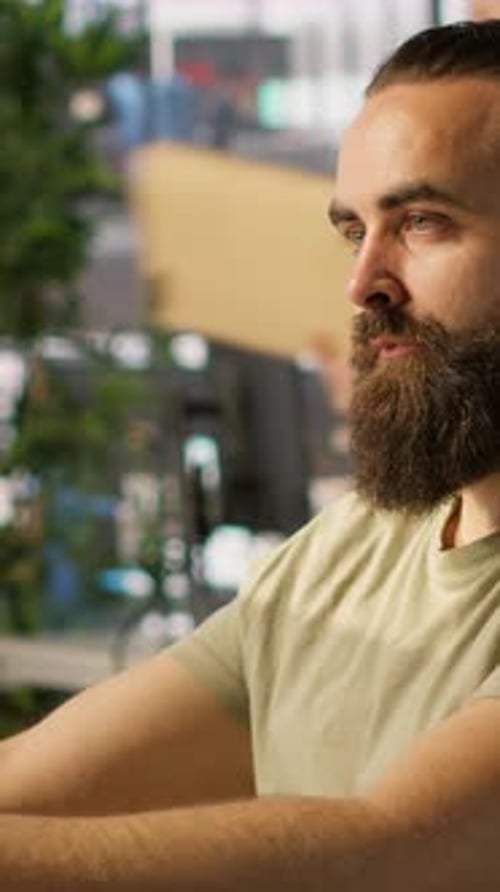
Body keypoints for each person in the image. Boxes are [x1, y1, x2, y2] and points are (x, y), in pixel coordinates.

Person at [1, 19, 500, 890]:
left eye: (422, 222)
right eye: (354, 231)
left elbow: (389, 854)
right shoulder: (350, 550)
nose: (363, 283)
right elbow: (38, 784)